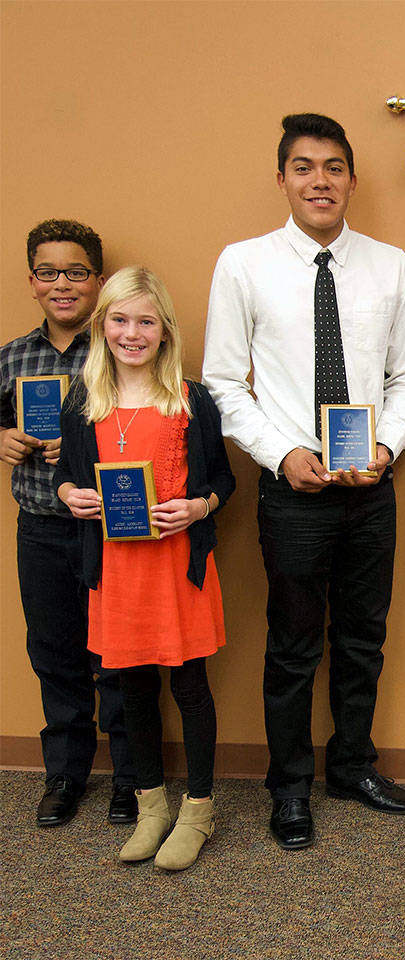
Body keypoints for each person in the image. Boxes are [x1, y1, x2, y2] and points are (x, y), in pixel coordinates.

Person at [203, 113, 405, 850]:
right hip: (292, 491)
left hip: (370, 489)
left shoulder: (390, 264)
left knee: (364, 637)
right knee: (295, 643)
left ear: (353, 181)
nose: (320, 181)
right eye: (304, 167)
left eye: (334, 167)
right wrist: (281, 454)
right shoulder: (243, 263)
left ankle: (353, 767)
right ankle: (290, 787)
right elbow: (221, 383)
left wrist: (389, 447)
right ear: (282, 179)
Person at [54, 267, 234, 870]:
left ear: (165, 330)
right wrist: (68, 496)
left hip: (177, 566)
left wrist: (199, 505)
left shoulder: (191, 400)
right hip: (116, 571)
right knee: (131, 691)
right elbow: (68, 479)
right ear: (103, 326)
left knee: (188, 688)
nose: (132, 333)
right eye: (120, 319)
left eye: (145, 321)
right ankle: (151, 807)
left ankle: (198, 810)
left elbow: (224, 481)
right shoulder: (84, 403)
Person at [0, 219, 137, 827]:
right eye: (49, 273)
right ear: (32, 282)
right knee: (54, 653)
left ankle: (133, 779)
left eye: (77, 272)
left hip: (109, 530)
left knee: (119, 656)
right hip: (40, 529)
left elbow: (148, 434)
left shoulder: (120, 351)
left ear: (99, 282)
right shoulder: (12, 357)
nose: (63, 284)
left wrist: (85, 454)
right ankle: (65, 774)